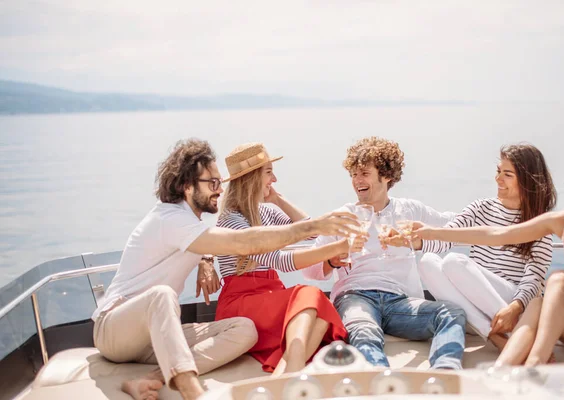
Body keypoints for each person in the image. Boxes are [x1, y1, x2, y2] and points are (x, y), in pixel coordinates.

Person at [91, 139, 361, 400]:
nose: (219, 190)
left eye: (219, 182)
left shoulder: (192, 223)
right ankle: (193, 393)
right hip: (116, 329)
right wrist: (315, 227)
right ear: (186, 186)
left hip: (151, 336)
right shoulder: (170, 218)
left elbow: (207, 240)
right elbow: (244, 242)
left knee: (244, 330)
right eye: (213, 183)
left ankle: (150, 378)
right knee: (162, 295)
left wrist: (205, 260)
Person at [406, 157, 564, 366]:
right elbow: (498, 234)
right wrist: (431, 233)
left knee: (560, 278)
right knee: (537, 303)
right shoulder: (563, 220)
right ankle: (501, 372)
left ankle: (535, 363)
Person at [303, 136, 467, 370]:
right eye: (353, 175)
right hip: (356, 297)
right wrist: (331, 260)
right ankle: (381, 383)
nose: (357, 181)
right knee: (364, 331)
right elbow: (309, 270)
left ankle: (445, 371)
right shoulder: (343, 216)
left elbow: (452, 229)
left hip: (401, 301)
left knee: (451, 312)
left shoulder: (410, 210)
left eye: (364, 174)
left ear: (387, 176)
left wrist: (419, 240)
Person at [385, 144, 556, 349]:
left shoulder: (540, 221)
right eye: (498, 171)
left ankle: (513, 331)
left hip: (512, 301)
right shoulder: (481, 208)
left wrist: (515, 307)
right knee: (426, 261)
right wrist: (414, 241)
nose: (498, 179)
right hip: (477, 299)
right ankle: (492, 333)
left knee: (454, 261)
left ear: (527, 179)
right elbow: (446, 237)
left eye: (507, 174)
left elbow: (535, 277)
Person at [215, 143, 353, 376]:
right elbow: (281, 262)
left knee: (323, 312)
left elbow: (312, 233)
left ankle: (285, 376)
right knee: (310, 295)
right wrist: (338, 247)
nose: (275, 179)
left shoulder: (268, 212)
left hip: (269, 298)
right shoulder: (231, 222)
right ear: (251, 177)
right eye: (268, 172)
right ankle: (295, 374)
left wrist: (278, 200)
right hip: (241, 303)